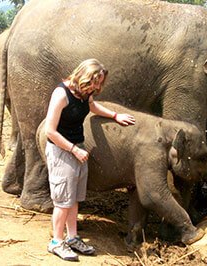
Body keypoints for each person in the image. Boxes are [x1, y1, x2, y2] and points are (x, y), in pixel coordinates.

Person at [45, 58, 135, 261]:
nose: (97, 86)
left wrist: (115, 115)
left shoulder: (85, 94)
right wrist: (73, 149)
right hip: (62, 151)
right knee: (62, 201)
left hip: (77, 149)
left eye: (100, 82)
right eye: (94, 81)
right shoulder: (61, 94)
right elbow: (50, 131)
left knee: (74, 198)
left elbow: (93, 107)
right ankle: (56, 242)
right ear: (83, 75)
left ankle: (72, 237)